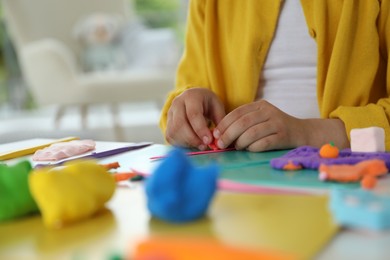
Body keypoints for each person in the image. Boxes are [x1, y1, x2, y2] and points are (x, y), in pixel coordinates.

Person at [159, 0, 390, 152]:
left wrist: (306, 132)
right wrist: (187, 114)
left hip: (358, 185)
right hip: (237, 191)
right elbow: (185, 93)